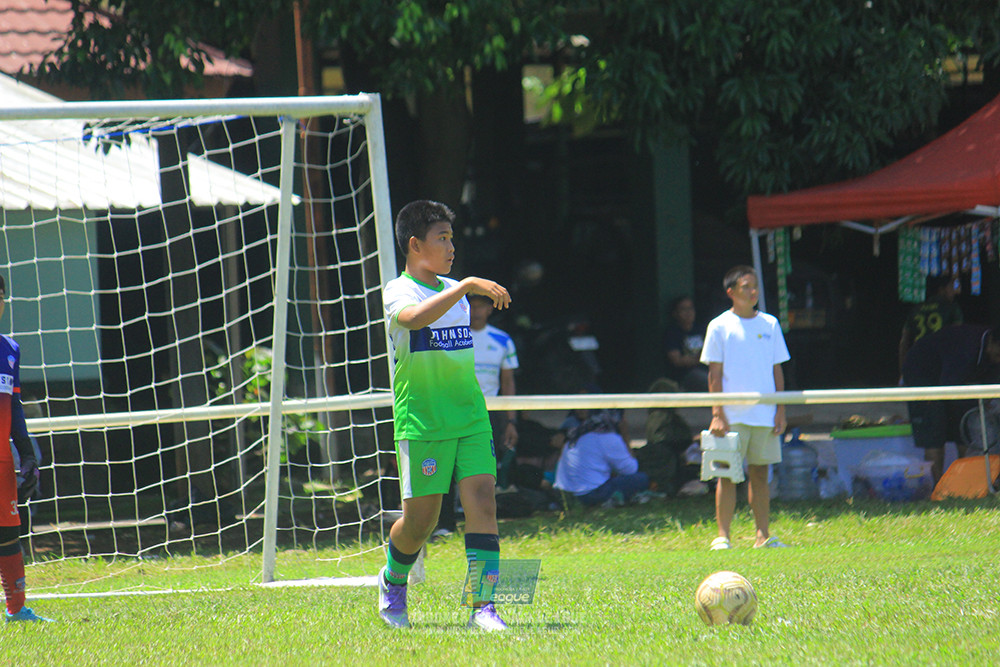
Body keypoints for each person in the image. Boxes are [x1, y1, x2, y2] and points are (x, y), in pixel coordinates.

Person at [378, 200, 511, 631]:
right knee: (421, 523)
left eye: (452, 238)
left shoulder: (456, 291)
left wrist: (462, 287)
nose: (451, 246)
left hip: (470, 417)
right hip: (423, 422)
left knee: (483, 501)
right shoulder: (398, 291)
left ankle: (482, 607)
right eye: (442, 238)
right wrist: (467, 285)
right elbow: (414, 319)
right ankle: (392, 581)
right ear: (415, 245)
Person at [700, 265, 790, 550]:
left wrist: (780, 409)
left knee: (760, 474)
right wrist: (718, 413)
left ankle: (762, 536)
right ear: (731, 292)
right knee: (727, 476)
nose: (753, 292)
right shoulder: (718, 326)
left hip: (765, 414)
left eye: (755, 287)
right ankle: (722, 537)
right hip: (731, 416)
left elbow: (777, 370)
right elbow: (714, 374)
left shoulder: (770, 324)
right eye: (746, 287)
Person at [435, 293, 519, 537]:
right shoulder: (452, 337)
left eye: (481, 305)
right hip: (454, 411)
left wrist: (511, 420)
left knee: (482, 472)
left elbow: (508, 382)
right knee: (448, 468)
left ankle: (482, 526)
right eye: (471, 305)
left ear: (490, 309)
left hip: (489, 414)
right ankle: (445, 525)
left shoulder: (502, 340)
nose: (476, 310)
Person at [0, 275, 52, 622]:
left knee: (8, 532)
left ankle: (17, 610)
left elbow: (14, 408)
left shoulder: (10, 350)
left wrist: (28, 453)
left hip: (2, 459)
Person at [901, 323, 1000, 482]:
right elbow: (949, 388)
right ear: (991, 343)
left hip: (954, 381)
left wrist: (986, 402)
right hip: (923, 375)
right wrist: (978, 403)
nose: (998, 360)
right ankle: (938, 489)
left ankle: (965, 485)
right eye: (998, 355)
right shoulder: (965, 350)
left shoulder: (991, 355)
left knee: (963, 434)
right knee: (934, 433)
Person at [553, 409, 650, 507]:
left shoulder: (578, 432)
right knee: (641, 479)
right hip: (589, 494)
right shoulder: (608, 437)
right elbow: (630, 470)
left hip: (564, 494)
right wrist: (625, 435)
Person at [898, 275, 963, 375]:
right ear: (942, 289)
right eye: (951, 287)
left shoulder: (916, 309)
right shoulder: (952, 308)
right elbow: (957, 338)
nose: (954, 291)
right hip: (939, 363)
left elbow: (904, 342)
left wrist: (903, 372)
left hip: (917, 361)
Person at [664, 295, 709, 392]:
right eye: (683, 309)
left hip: (707, 369)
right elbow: (677, 360)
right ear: (675, 313)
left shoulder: (702, 329)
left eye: (690, 308)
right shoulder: (672, 333)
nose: (688, 313)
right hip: (686, 375)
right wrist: (701, 358)